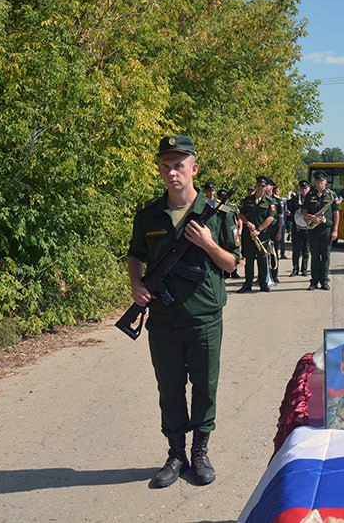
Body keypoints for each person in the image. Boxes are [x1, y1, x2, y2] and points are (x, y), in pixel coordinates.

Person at [127, 135, 239, 488]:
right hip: (163, 318)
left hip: (204, 317)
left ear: (194, 168)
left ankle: (200, 452)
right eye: (165, 166)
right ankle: (176, 454)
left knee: (205, 387)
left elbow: (232, 264)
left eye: (179, 165)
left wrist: (207, 243)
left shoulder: (218, 215)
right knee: (170, 388)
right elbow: (135, 255)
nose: (172, 172)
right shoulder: (148, 214)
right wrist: (137, 284)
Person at [238, 175, 277, 293]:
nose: (260, 188)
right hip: (249, 235)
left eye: (263, 186)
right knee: (249, 261)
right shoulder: (247, 200)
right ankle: (247, 284)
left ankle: (263, 284)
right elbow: (241, 214)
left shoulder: (270, 201)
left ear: (265, 188)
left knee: (262, 260)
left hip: (262, 235)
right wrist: (248, 223)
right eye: (258, 186)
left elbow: (270, 218)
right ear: (256, 186)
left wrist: (259, 230)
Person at [303, 171, 339, 291]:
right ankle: (313, 281)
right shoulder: (310, 195)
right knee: (314, 256)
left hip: (326, 230)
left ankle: (324, 281)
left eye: (322, 181)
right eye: (318, 181)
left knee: (325, 256)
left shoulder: (332, 195)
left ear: (326, 182)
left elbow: (336, 213)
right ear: (315, 182)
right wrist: (312, 217)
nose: (319, 184)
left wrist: (335, 230)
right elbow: (304, 212)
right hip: (313, 229)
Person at [287, 180, 311, 277]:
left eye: (305, 188)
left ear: (309, 188)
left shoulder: (312, 199)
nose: (304, 190)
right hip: (296, 227)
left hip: (307, 227)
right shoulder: (295, 199)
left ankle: (304, 269)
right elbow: (290, 210)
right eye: (302, 188)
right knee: (296, 249)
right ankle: (295, 268)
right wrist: (290, 213)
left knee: (306, 249)